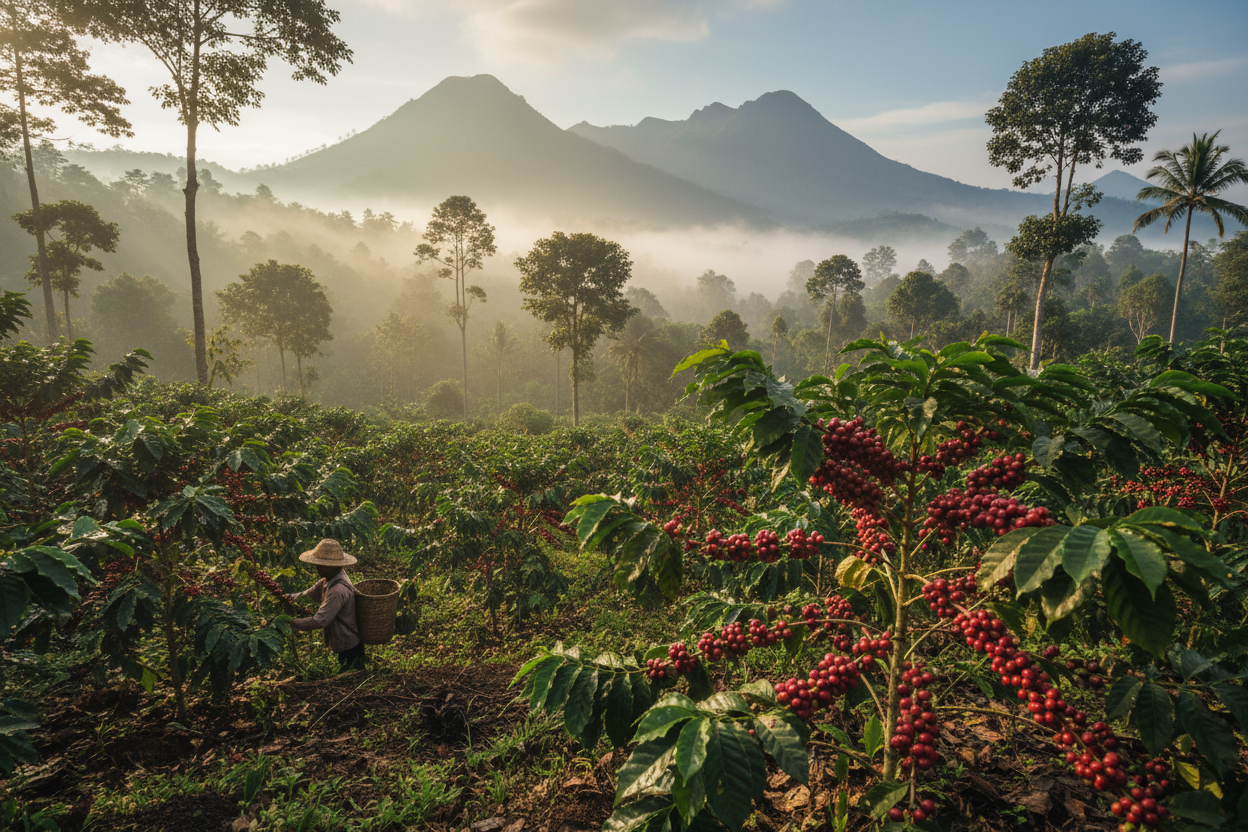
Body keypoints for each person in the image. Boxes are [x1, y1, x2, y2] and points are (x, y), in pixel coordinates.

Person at [286, 539, 365, 671]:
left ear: (333, 566)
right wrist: (285, 597)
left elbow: (320, 620)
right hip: (343, 641)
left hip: (350, 645)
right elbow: (306, 595)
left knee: (352, 675)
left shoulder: (337, 590)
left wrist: (292, 623)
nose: (317, 567)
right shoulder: (327, 581)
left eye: (321, 564)